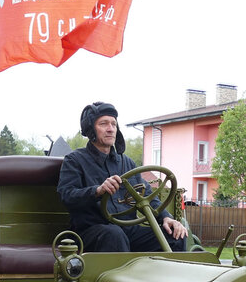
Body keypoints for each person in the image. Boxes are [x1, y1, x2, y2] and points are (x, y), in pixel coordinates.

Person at [57, 101, 187, 253]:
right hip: (92, 232)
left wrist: (166, 217)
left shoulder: (127, 163)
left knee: (176, 236)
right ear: (90, 129)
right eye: (103, 124)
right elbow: (66, 195)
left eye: (113, 124)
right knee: (114, 235)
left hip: (128, 231)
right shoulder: (75, 160)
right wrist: (97, 191)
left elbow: (148, 196)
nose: (110, 129)